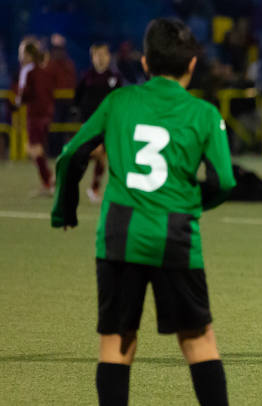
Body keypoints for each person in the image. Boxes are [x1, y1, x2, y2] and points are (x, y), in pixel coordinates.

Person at [50, 18, 235, 405]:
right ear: (192, 65)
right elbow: (224, 182)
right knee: (198, 340)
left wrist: (64, 209)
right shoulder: (203, 113)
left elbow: (71, 155)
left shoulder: (119, 101)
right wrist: (187, 205)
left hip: (119, 234)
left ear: (146, 63)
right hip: (176, 237)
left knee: (117, 342)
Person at [73, 43, 124, 203]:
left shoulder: (115, 78)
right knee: (95, 153)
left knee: (102, 156)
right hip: (90, 123)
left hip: (108, 124)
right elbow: (77, 97)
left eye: (103, 54)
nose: (100, 58)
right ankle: (86, 186)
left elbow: (120, 101)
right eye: (97, 55)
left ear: (109, 57)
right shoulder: (87, 76)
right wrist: (77, 112)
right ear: (92, 57)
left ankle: (94, 188)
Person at [15, 38, 55, 195]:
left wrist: (17, 103)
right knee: (36, 148)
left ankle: (48, 181)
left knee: (34, 149)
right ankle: (48, 180)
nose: (20, 56)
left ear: (28, 55)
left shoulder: (28, 70)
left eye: (22, 52)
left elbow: (23, 94)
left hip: (35, 114)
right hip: (46, 113)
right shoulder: (43, 70)